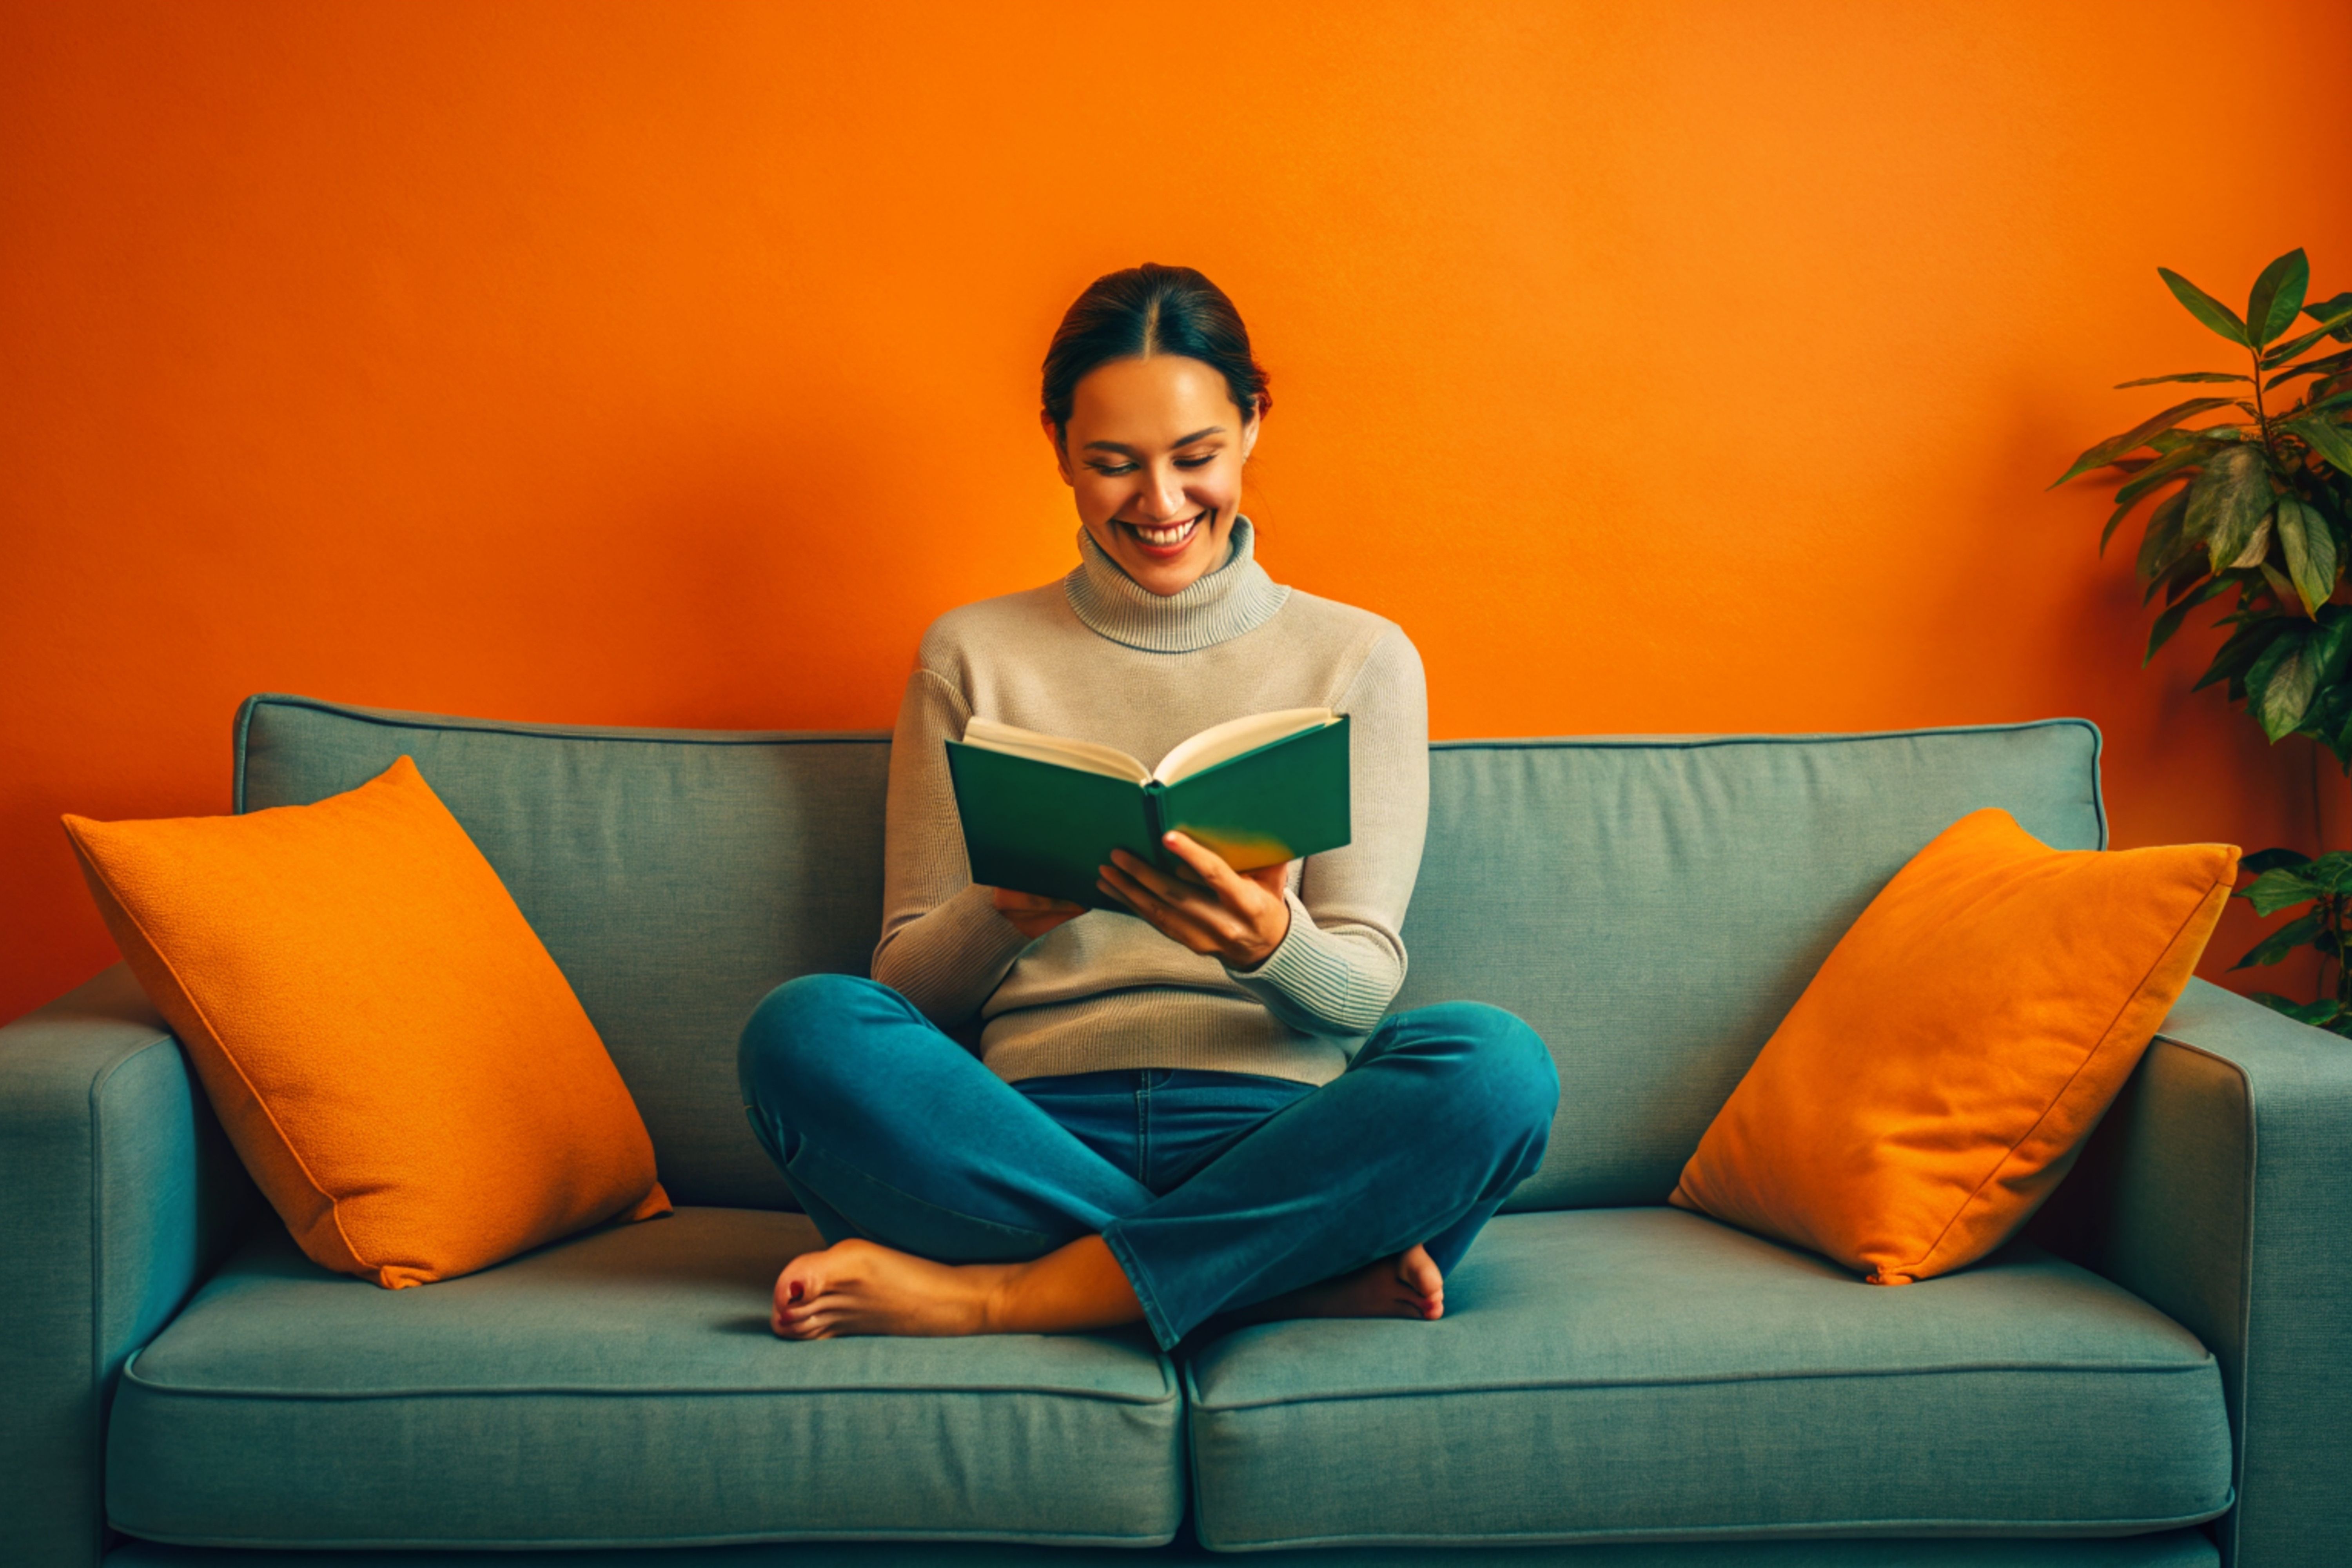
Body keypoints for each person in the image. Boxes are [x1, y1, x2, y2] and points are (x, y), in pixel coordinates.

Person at [737, 263, 1557, 1350]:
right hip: (1020, 1130)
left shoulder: (1360, 658)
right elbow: (906, 989)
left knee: (1497, 1069)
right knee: (804, 1031)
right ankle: (1271, 1279)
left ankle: (1008, 1296)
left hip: (1279, 1136)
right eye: (1114, 465)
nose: (1162, 505)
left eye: (1196, 459)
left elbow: (1361, 991)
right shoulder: (969, 654)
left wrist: (1272, 941)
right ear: (1058, 447)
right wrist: (1003, 913)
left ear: (1254, 424)